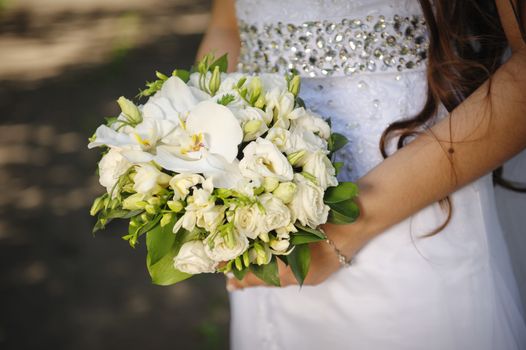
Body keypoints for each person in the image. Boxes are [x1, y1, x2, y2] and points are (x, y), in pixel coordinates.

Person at [197, 0, 526, 349]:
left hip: (413, 204)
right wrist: (199, 166)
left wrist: (347, 229)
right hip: (257, 206)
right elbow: (228, 28)